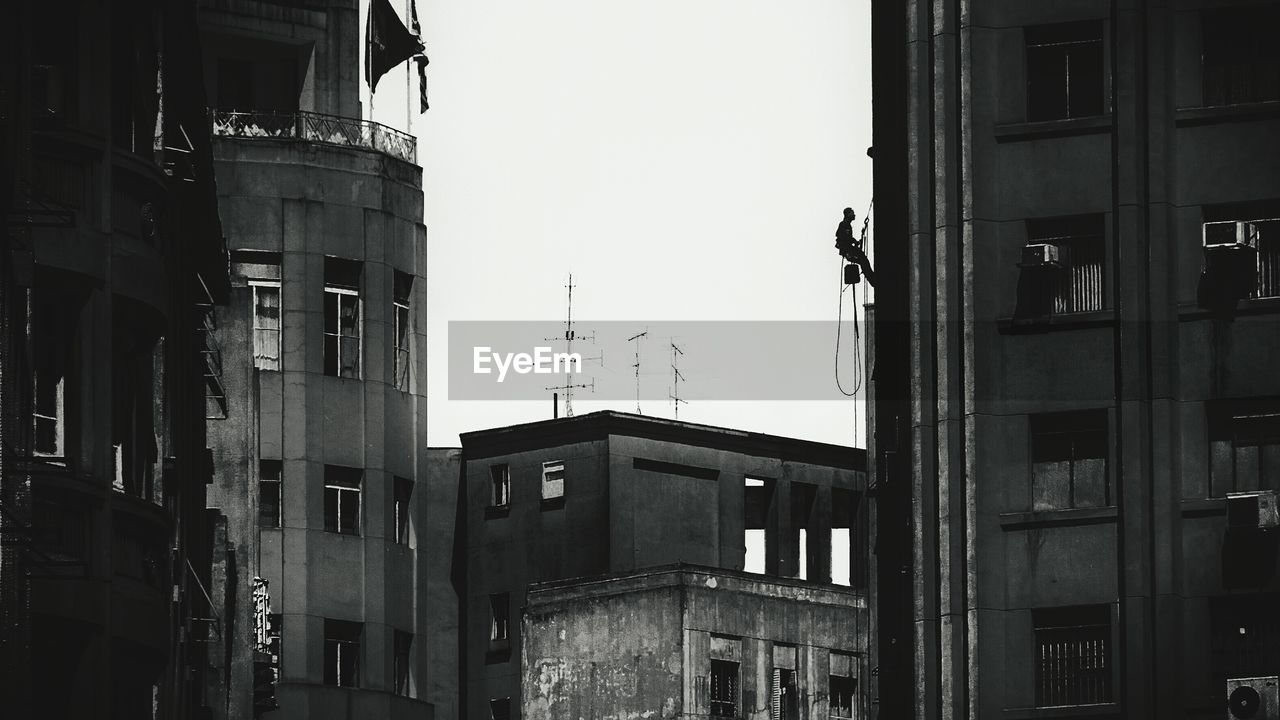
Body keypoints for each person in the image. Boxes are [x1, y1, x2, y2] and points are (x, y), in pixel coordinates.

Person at [835, 207, 876, 287]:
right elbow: (843, 238)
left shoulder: (847, 225)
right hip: (847, 250)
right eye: (852, 213)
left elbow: (847, 238)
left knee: (863, 260)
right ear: (848, 214)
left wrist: (855, 242)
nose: (854, 215)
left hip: (848, 249)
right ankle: (873, 280)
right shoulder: (844, 224)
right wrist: (847, 250)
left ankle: (872, 279)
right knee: (863, 260)